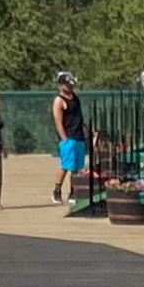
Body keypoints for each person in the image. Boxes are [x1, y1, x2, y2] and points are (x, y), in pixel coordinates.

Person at [51, 72, 87, 204]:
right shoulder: (59, 101)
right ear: (61, 85)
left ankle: (74, 191)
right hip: (68, 138)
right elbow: (58, 122)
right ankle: (57, 190)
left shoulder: (75, 98)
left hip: (79, 137)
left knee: (77, 168)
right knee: (66, 166)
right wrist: (64, 139)